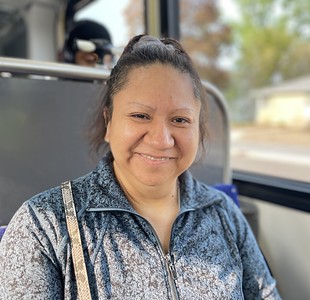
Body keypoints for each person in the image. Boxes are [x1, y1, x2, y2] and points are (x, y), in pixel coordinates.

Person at [0, 34, 281, 299]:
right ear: (109, 123)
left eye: (180, 120)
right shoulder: (44, 226)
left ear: (199, 129)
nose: (161, 140)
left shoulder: (224, 215)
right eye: (140, 115)